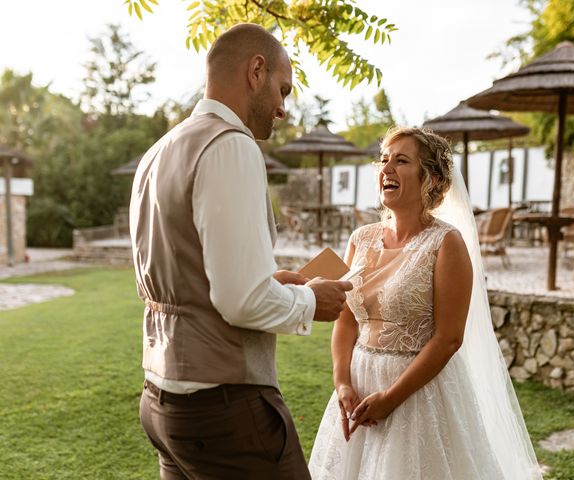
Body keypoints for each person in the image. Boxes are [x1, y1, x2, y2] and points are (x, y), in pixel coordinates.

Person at [130, 23, 353, 480]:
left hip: (161, 400)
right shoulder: (231, 145)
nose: (283, 110)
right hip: (224, 409)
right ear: (256, 71)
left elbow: (189, 274)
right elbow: (240, 301)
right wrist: (315, 300)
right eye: (283, 90)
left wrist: (270, 279)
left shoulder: (158, 152)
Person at [308, 127, 541, 479]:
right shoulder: (359, 239)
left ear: (429, 178)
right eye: (383, 159)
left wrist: (390, 398)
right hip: (358, 382)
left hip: (417, 395)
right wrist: (342, 382)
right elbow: (345, 319)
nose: (386, 168)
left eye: (401, 161)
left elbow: (449, 338)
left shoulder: (447, 243)